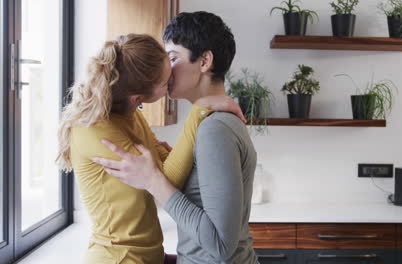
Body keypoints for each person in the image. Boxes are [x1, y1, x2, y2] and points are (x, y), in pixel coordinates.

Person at [56, 33, 246, 263]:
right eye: (166, 83)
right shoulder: (94, 128)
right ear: (138, 98)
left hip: (145, 256)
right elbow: (164, 180)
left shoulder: (130, 114)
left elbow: (162, 169)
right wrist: (199, 110)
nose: (172, 81)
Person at [94, 11, 259, 264]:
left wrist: (153, 181)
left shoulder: (215, 130)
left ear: (204, 61)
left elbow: (221, 245)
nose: (167, 70)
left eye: (173, 58)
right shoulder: (208, 122)